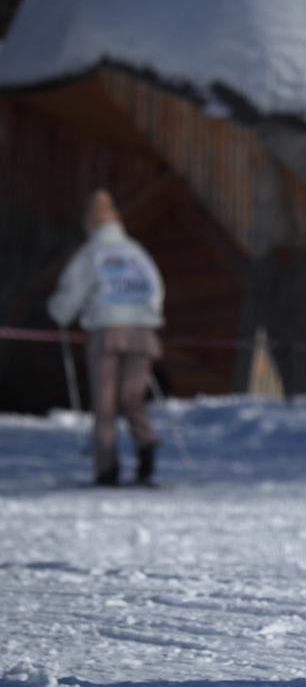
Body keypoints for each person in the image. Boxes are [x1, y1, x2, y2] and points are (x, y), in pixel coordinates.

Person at [47, 190, 165, 486]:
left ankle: (106, 467)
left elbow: (71, 293)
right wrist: (149, 315)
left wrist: (60, 313)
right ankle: (145, 442)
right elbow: (155, 287)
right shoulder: (137, 252)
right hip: (142, 333)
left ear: (91, 224)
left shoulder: (92, 254)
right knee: (132, 395)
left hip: (107, 332)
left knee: (106, 402)